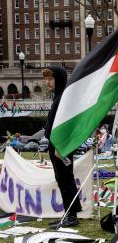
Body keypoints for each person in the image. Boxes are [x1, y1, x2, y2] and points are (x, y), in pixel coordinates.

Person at [44, 66, 81, 228]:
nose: (47, 82)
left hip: (61, 147)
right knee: (62, 180)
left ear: (58, 79)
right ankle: (69, 213)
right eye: (46, 79)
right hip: (56, 145)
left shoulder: (63, 98)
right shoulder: (59, 97)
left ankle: (72, 216)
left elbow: (66, 125)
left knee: (66, 180)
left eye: (50, 79)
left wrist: (61, 147)